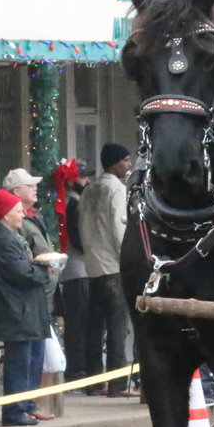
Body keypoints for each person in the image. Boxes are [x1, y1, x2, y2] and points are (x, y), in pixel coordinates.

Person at [0, 189, 53, 426]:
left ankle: (27, 405)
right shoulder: (1, 240)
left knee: (32, 361)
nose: (22, 213)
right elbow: (21, 272)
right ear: (5, 214)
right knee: (19, 364)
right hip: (16, 311)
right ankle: (14, 411)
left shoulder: (11, 236)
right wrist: (44, 270)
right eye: (17, 210)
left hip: (26, 311)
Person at [80, 143, 131, 396]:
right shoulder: (117, 190)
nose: (129, 164)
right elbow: (120, 229)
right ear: (113, 164)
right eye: (125, 160)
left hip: (93, 265)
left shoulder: (89, 190)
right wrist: (129, 259)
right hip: (114, 265)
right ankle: (117, 383)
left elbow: (81, 227)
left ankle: (93, 381)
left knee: (95, 328)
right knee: (117, 328)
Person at [55, 159, 93, 383]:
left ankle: (78, 368)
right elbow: (79, 240)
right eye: (84, 176)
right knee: (79, 323)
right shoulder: (74, 204)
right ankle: (77, 369)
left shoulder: (70, 201)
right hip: (77, 270)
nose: (88, 180)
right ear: (71, 180)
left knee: (78, 323)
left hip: (75, 271)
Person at [3, 168, 58, 312]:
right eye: (29, 185)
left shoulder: (35, 216)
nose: (35, 188)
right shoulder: (14, 222)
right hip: (32, 298)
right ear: (16, 191)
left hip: (44, 293)